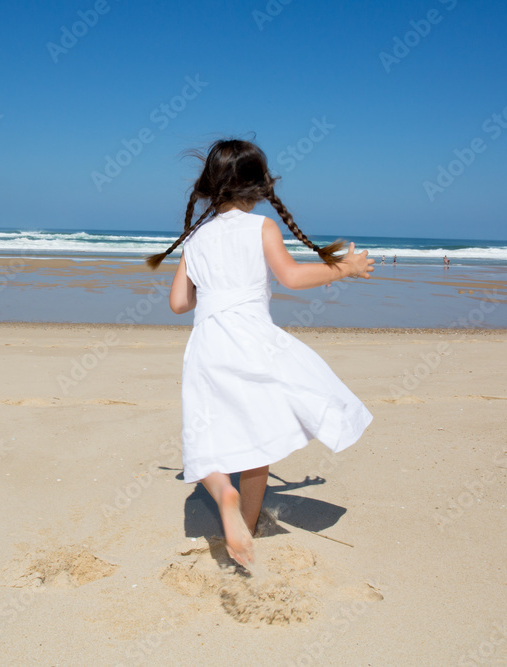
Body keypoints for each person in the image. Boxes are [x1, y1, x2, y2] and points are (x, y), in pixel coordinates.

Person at [146, 139, 374, 566]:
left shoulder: (197, 238)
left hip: (209, 345)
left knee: (204, 437)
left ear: (210, 185)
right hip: (254, 341)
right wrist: (345, 268)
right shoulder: (262, 227)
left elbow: (178, 303)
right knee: (257, 438)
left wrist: (205, 284)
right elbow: (289, 276)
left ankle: (223, 496)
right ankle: (247, 529)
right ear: (259, 186)